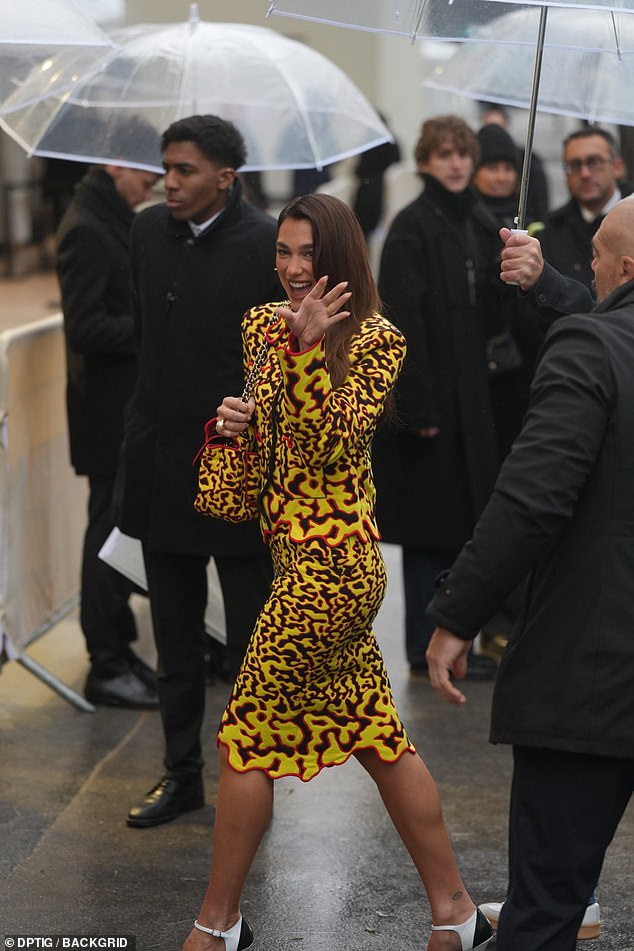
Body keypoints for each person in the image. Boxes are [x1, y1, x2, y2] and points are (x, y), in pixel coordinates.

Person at [183, 193, 494, 951]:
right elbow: (252, 477)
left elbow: (332, 442)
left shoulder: (379, 340)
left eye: (307, 256)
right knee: (381, 739)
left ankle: (217, 926)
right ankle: (456, 912)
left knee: (249, 731)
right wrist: (233, 430)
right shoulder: (262, 324)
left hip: (336, 571)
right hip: (292, 557)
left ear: (341, 262)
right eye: (282, 253)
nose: (291, 270)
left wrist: (306, 354)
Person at [426, 196, 634, 950]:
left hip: (595, 676)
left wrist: (458, 613)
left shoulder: (590, 345)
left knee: (545, 909)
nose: (591, 269)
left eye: (599, 257)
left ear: (627, 268)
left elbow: (531, 499)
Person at [112, 115, 280, 828]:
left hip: (236, 471)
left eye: (184, 170)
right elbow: (145, 338)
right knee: (175, 641)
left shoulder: (267, 242)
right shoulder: (148, 232)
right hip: (162, 466)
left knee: (249, 642)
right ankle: (181, 774)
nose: (168, 181)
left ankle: (251, 779)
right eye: (165, 167)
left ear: (226, 176)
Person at [373, 114, 504, 678]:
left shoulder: (474, 219)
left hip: (468, 403)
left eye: (462, 153)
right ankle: (424, 647)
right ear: (425, 161)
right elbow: (402, 324)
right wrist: (417, 405)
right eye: (443, 154)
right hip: (430, 409)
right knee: (432, 530)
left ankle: (453, 646)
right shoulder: (411, 227)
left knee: (462, 527)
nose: (455, 163)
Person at [56, 162, 161, 709]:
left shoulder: (112, 217)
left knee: (120, 532)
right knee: (106, 536)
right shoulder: (88, 228)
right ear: (115, 164)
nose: (157, 180)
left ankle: (119, 650)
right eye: (148, 169)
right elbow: (86, 326)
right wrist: (151, 326)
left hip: (120, 408)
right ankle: (106, 661)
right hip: (104, 414)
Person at [536, 126, 632, 290]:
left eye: (594, 162)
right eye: (574, 165)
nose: (585, 173)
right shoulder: (550, 232)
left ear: (617, 167)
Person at [478, 102, 549, 224]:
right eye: (492, 168)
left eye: (508, 169)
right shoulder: (461, 222)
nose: (501, 178)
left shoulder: (530, 161)